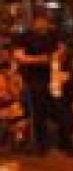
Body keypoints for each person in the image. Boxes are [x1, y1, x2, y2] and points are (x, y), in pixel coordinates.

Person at [13, 11, 59, 154]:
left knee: (48, 111)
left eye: (44, 21)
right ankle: (38, 144)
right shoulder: (24, 37)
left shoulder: (51, 36)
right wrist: (39, 60)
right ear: (34, 22)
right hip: (31, 80)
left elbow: (56, 55)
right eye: (39, 21)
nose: (42, 24)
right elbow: (19, 57)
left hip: (49, 79)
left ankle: (50, 143)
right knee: (36, 112)